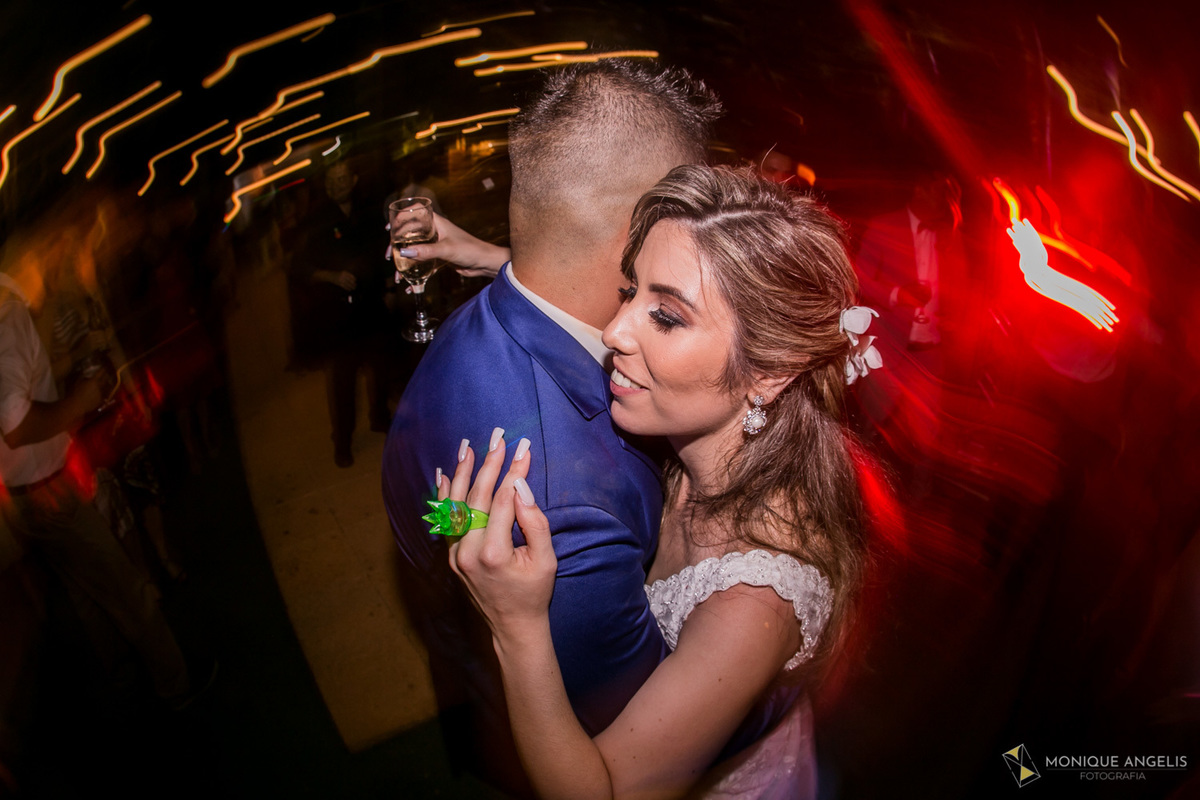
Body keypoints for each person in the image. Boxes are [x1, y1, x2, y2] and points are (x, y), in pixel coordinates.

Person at [443, 164, 872, 798]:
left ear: (770, 373)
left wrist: (515, 624)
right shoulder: (689, 434)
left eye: (666, 317)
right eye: (629, 291)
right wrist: (484, 256)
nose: (615, 332)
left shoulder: (754, 600)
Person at [381, 59, 721, 795]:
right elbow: (624, 734)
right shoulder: (558, 505)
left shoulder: (485, 324)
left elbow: (437, 518)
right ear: (638, 236)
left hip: (470, 677)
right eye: (690, 215)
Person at [0, 259, 203, 709]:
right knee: (125, 588)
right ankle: (177, 683)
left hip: (24, 498)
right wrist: (79, 402)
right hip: (47, 490)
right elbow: (15, 423)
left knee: (86, 595)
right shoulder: (8, 314)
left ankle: (121, 682)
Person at [304, 159, 392, 467]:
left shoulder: (368, 212)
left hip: (371, 308)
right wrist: (332, 277)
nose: (336, 186)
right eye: (331, 181)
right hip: (338, 317)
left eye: (342, 179)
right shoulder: (316, 220)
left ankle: (380, 417)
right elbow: (304, 269)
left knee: (381, 370)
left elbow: (384, 252)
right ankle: (342, 441)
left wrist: (390, 279)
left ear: (353, 180)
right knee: (342, 384)